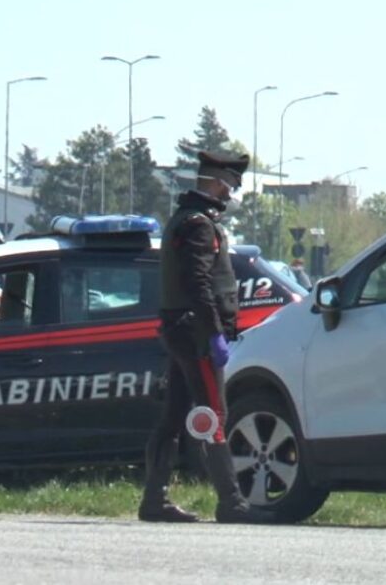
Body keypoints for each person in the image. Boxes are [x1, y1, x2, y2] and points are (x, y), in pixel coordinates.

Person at [138, 150, 273, 524]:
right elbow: (199, 284)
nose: (231, 194)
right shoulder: (198, 225)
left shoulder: (186, 219)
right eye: (229, 185)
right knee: (215, 414)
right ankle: (232, 502)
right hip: (196, 334)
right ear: (216, 182)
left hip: (183, 330)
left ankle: (154, 499)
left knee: (173, 416)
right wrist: (214, 333)